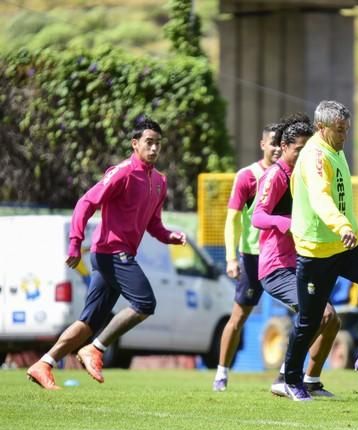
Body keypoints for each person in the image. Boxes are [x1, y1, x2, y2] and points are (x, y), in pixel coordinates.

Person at [27, 116, 187, 389]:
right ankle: (95, 349)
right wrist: (75, 242)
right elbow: (85, 202)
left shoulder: (159, 182)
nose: (154, 148)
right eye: (149, 142)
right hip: (110, 252)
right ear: (135, 144)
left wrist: (170, 236)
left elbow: (154, 225)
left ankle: (44, 363)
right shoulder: (122, 172)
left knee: (89, 322)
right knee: (145, 303)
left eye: (158, 143)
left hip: (118, 255)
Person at [282, 100, 358, 401]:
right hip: (317, 250)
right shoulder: (315, 157)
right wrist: (341, 225)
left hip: (344, 245)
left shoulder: (335, 146)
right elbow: (321, 199)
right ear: (321, 129)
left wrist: (349, 231)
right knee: (310, 322)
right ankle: (290, 380)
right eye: (339, 130)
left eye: (347, 129)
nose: (345, 135)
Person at [251, 113, 341, 398]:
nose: (303, 155)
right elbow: (258, 217)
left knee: (332, 319)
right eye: (298, 150)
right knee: (319, 314)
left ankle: (311, 380)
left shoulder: (305, 174)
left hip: (303, 261)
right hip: (277, 266)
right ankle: (284, 378)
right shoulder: (275, 175)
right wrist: (288, 223)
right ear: (286, 147)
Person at [212, 123, 280, 392]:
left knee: (307, 312)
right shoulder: (247, 176)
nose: (277, 148)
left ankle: (292, 374)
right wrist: (231, 258)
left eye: (281, 143)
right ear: (262, 144)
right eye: (272, 142)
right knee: (239, 317)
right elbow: (233, 219)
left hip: (282, 257)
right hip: (252, 257)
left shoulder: (291, 175)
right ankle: (221, 373)